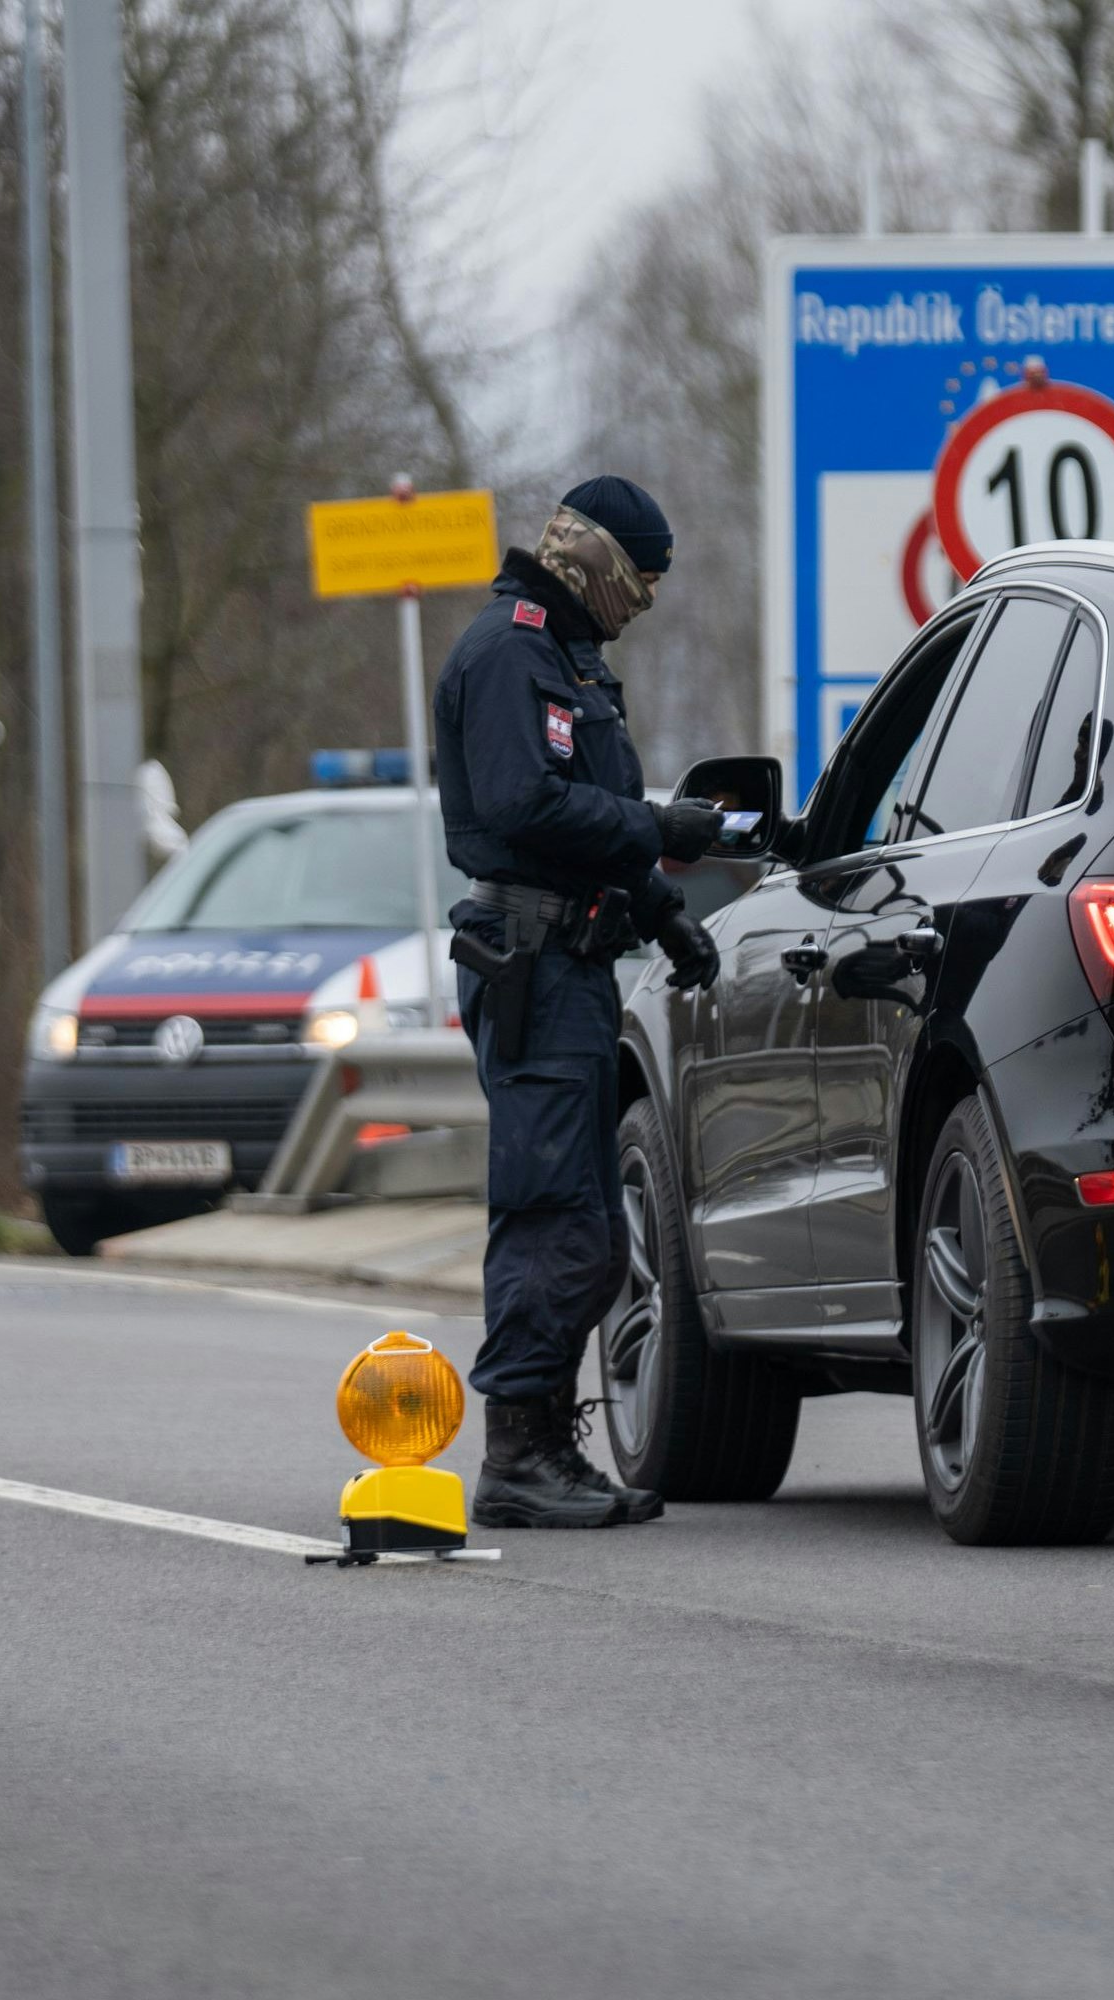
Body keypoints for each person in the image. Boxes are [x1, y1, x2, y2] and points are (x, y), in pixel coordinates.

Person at [432, 475, 724, 1530]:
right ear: (594, 560)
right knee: (554, 1214)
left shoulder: (570, 659)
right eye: (638, 575)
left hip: (573, 962)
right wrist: (660, 828)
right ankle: (517, 1451)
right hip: (533, 963)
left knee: (592, 1225)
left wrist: (661, 910)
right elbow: (526, 805)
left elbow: (581, 824)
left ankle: (545, 1442)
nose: (644, 596)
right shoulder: (511, 651)